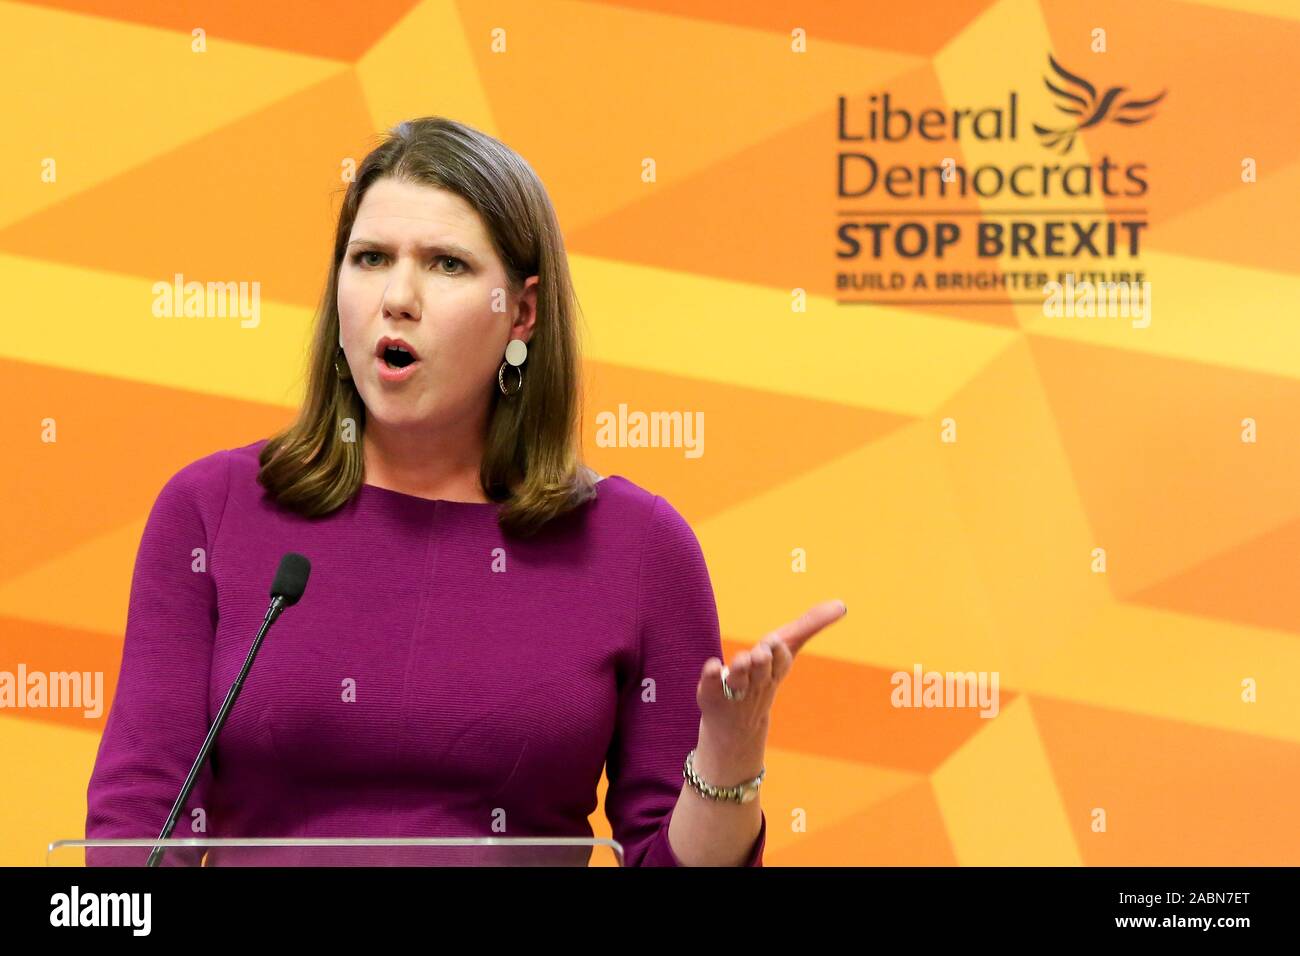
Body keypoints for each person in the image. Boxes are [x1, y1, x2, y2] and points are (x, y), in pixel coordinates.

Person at [84, 117, 847, 867]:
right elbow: (136, 827)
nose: (398, 297)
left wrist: (728, 759)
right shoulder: (211, 510)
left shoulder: (638, 546)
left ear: (522, 311)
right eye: (371, 258)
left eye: (446, 264)